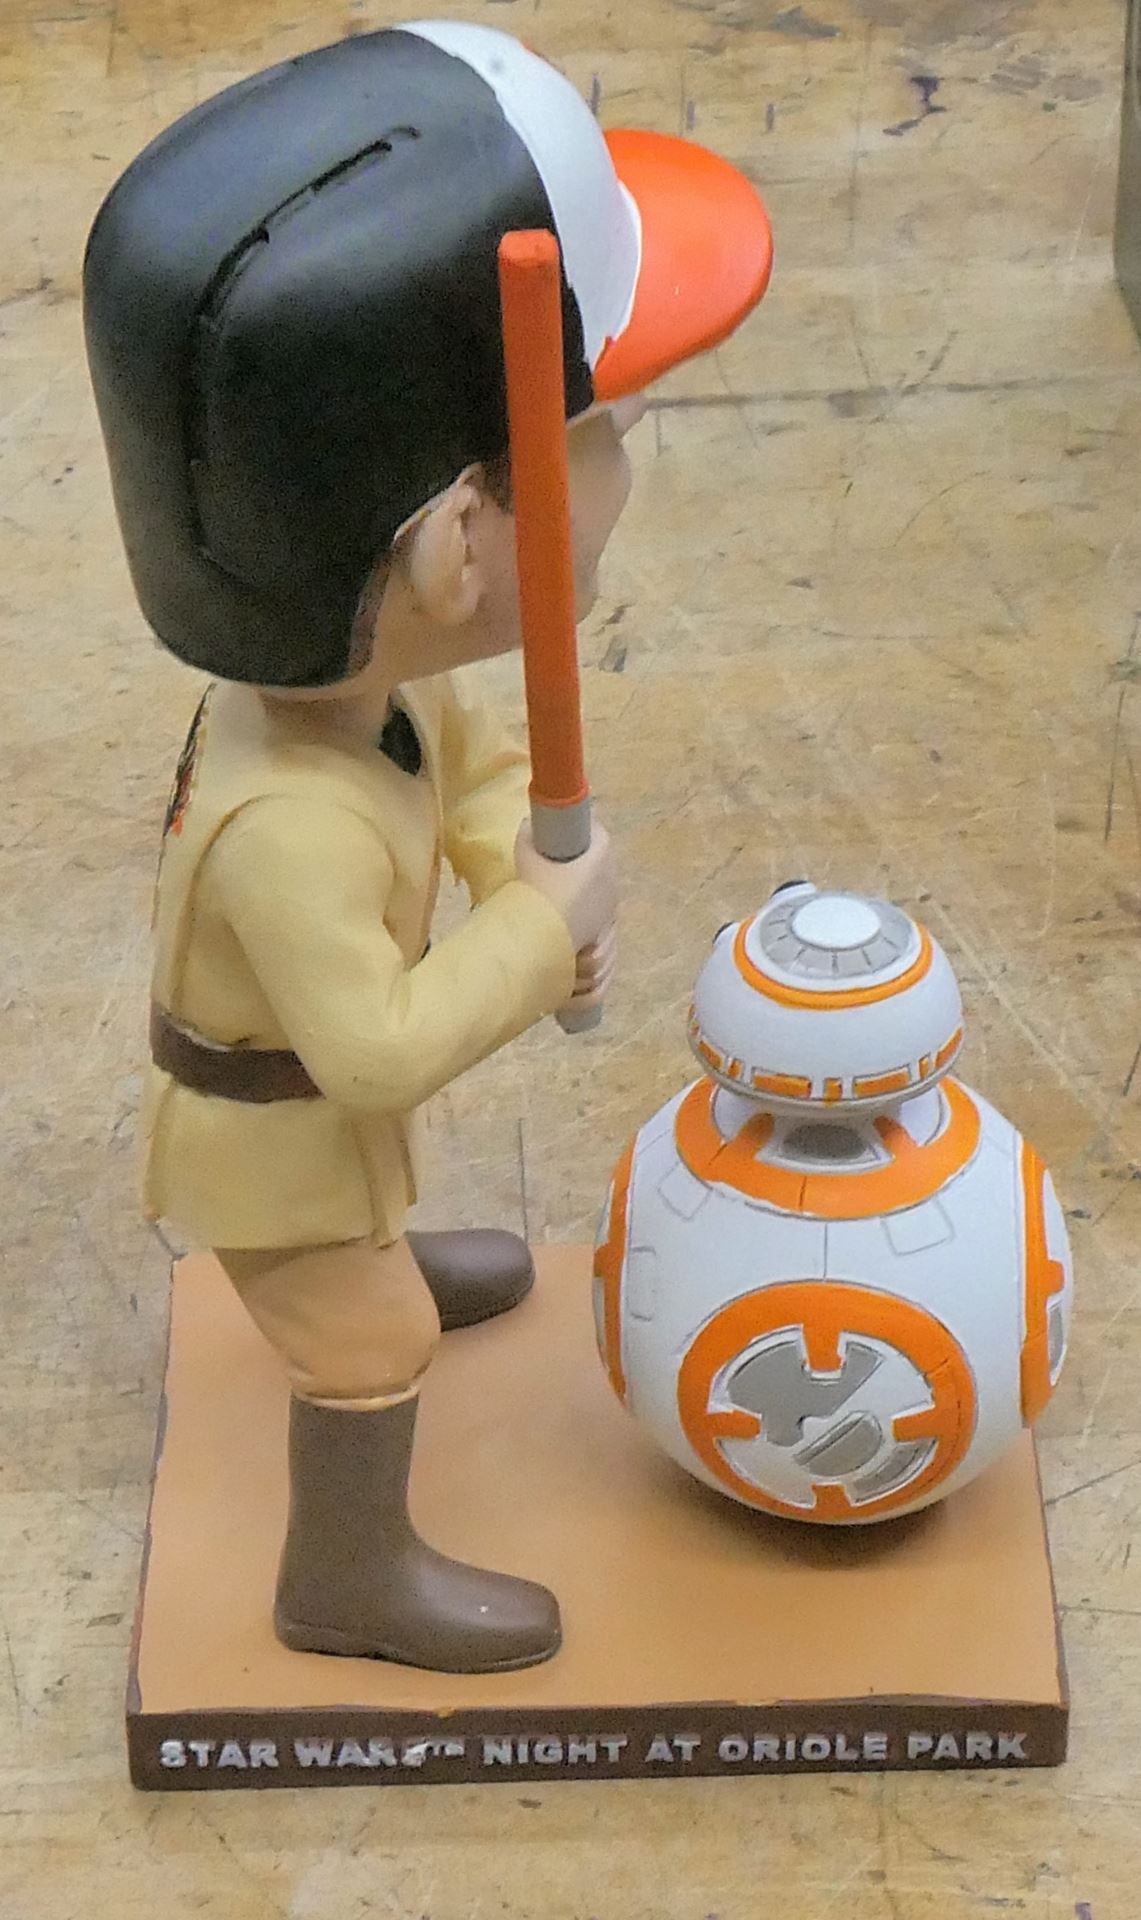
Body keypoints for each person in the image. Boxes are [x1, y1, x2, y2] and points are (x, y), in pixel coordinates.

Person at [83, 19, 772, 1672]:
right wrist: (532, 935)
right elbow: (378, 1053)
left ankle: (370, 1248)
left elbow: (470, 767)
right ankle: (344, 1577)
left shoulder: (363, 694)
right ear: (464, 541)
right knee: (367, 1337)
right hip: (271, 1144)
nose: (622, 452)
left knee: (372, 1239)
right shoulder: (286, 827)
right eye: (599, 419)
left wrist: (515, 861)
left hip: (329, 1132)